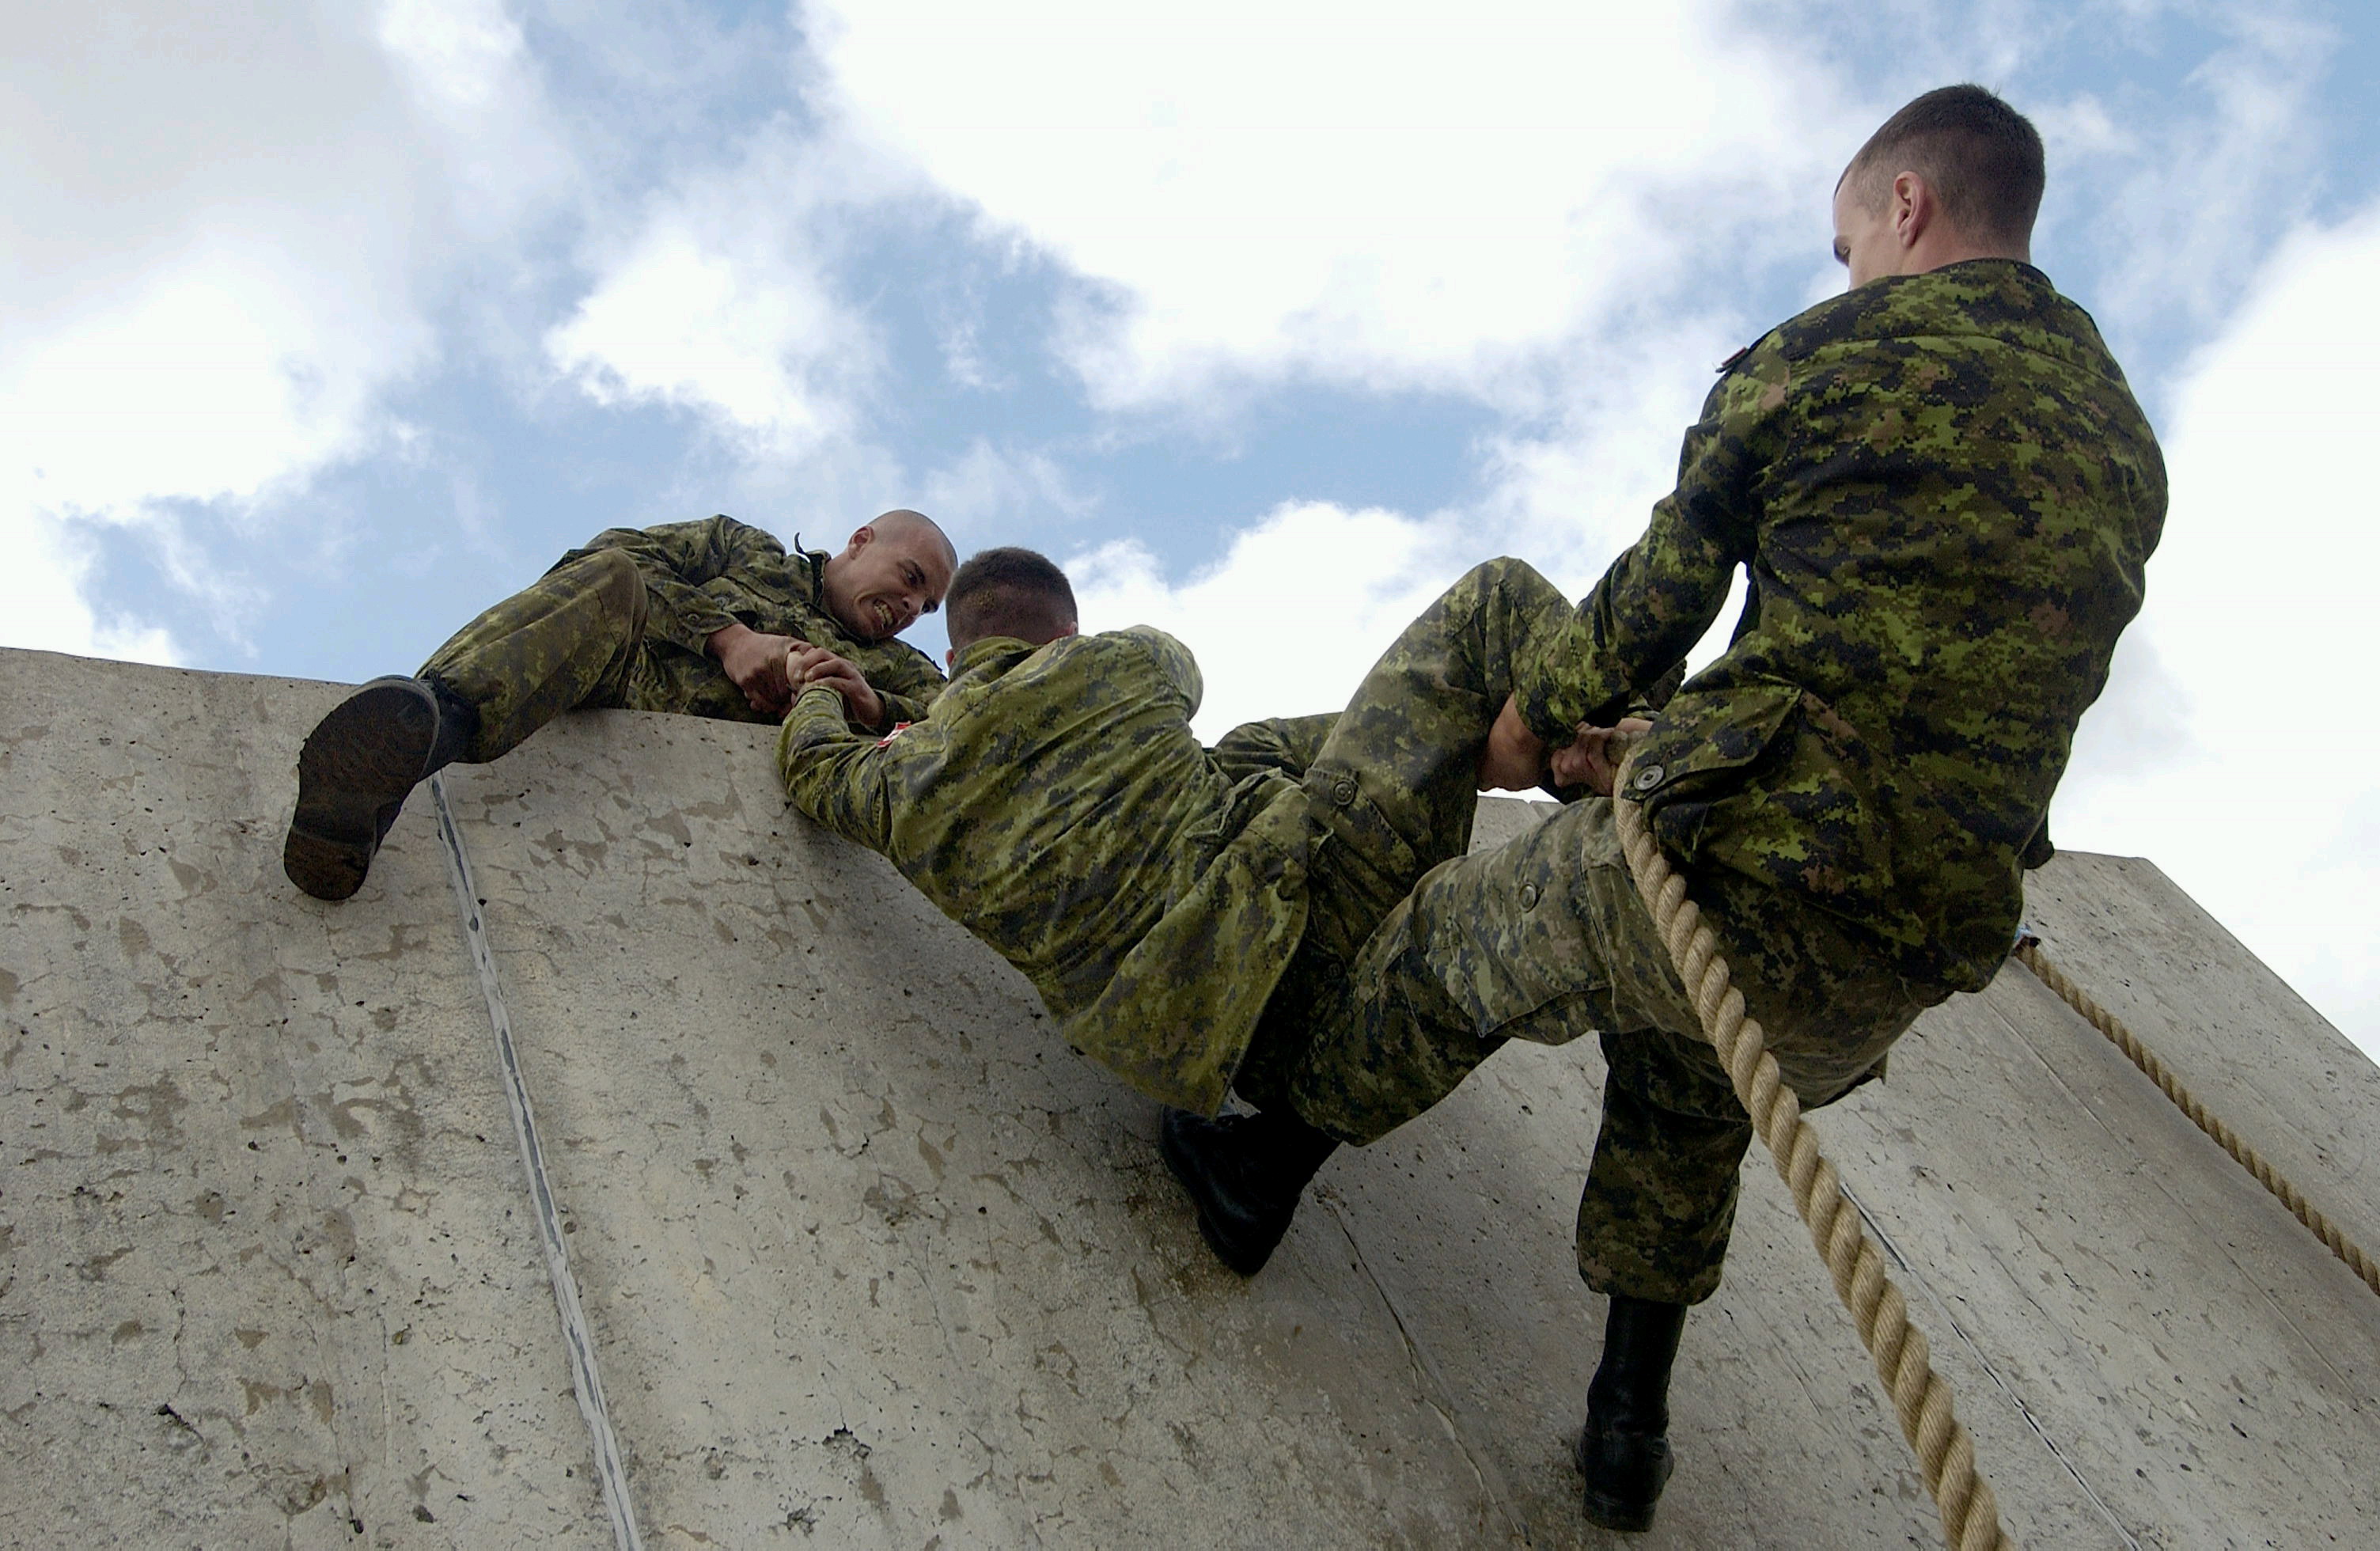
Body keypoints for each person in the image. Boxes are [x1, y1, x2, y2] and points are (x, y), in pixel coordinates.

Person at [1159, 83, 2167, 1533]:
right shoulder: (2123, 446)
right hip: (1899, 962)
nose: (1848, 271)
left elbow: (1660, 593)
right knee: (1689, 1072)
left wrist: (1536, 719)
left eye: (1847, 244)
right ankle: (1626, 1427)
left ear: (1905, 205)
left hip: (1751, 871)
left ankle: (1255, 1172)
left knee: (1451, 937)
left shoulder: (1829, 356)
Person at [775, 544, 1588, 1128]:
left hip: (1226, 1053)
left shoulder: (900, 786)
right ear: (1067, 635)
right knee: (1498, 595)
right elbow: (1183, 676)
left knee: (1246, 750)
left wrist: (820, 689)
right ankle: (1623, 755)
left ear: (955, 656)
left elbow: (810, 765)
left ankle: (1507, 748)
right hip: (1311, 929)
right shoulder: (1121, 659)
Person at [283, 510, 955, 902]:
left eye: (926, 607)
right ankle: (397, 758)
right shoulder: (741, 549)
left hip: (731, 803)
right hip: (624, 684)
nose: (910, 607)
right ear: (861, 541)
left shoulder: (905, 671)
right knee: (612, 578)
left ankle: (381, 776)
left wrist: (869, 705)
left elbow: (957, 736)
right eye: (911, 578)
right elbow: (610, 552)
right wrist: (731, 639)